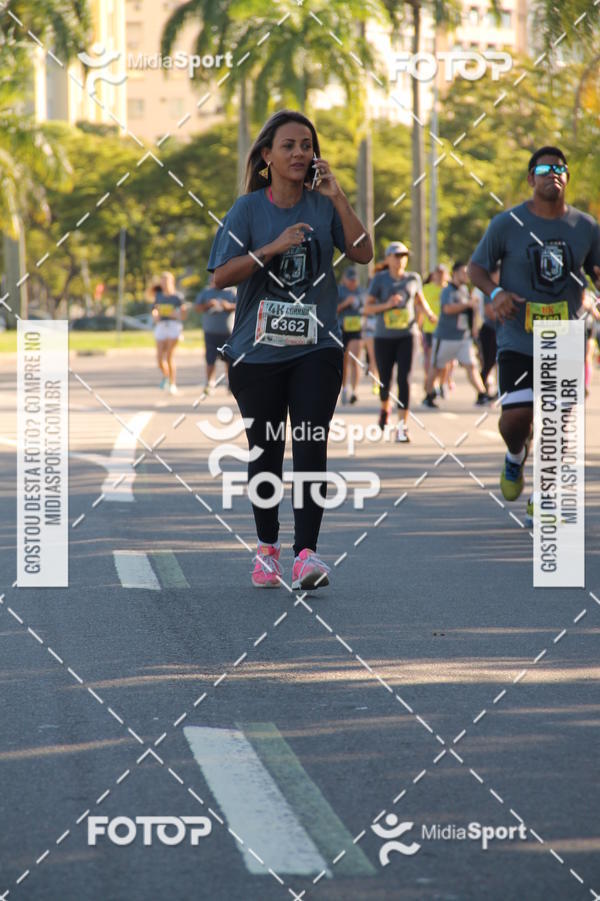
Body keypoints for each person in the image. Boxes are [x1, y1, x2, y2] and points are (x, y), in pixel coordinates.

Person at [207, 109, 372, 590]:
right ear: (267, 155)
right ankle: (266, 549)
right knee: (266, 451)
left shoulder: (324, 206)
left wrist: (339, 197)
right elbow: (221, 276)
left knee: (311, 442)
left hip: (316, 347)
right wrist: (271, 248)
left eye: (307, 145)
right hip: (256, 353)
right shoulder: (247, 210)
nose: (300, 153)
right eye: (289, 145)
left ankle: (306, 554)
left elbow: (363, 251)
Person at [467, 146, 600, 520]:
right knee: (516, 420)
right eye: (543, 169)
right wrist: (496, 293)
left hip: (565, 336)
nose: (552, 174)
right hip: (517, 337)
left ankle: (544, 497)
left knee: (557, 423)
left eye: (559, 168)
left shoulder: (586, 227)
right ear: (530, 179)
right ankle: (515, 456)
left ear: (567, 178)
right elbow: (476, 268)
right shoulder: (507, 223)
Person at [363, 242, 437, 443]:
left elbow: (420, 300)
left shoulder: (413, 278)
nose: (400, 260)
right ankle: (384, 408)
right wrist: (387, 304)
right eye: (396, 256)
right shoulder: (379, 279)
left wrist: (429, 314)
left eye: (404, 256)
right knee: (385, 381)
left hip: (407, 335)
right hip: (384, 337)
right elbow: (367, 308)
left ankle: (402, 428)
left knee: (404, 379)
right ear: (388, 258)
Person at [423, 262, 488, 408]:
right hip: (445, 337)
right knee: (436, 367)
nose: (466, 276)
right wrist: (467, 304)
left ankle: (482, 393)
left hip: (463, 337)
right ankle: (428, 394)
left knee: (471, 366)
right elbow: (447, 309)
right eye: (463, 273)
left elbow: (471, 310)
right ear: (455, 273)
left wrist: (474, 326)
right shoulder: (447, 291)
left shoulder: (464, 290)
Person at [195, 274, 237, 393]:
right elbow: (197, 308)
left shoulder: (231, 292)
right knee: (210, 359)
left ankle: (230, 383)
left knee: (228, 359)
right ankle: (210, 383)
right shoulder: (206, 292)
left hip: (228, 332)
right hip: (210, 332)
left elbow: (240, 306)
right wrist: (208, 305)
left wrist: (227, 306)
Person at [152, 271, 187, 395]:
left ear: (171, 282)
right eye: (162, 281)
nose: (164, 284)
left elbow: (183, 315)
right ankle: (166, 376)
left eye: (166, 281)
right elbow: (154, 309)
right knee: (159, 358)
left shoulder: (177, 297)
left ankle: (172, 384)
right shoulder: (158, 296)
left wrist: (176, 314)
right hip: (161, 325)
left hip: (173, 326)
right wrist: (155, 315)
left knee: (169, 356)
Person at [336, 266, 364, 404]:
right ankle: (344, 389)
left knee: (355, 360)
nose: (353, 282)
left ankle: (354, 391)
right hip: (341, 328)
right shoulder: (339, 290)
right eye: (350, 280)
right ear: (344, 280)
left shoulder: (361, 291)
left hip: (356, 329)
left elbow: (366, 308)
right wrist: (345, 303)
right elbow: (332, 310)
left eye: (354, 280)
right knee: (344, 361)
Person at [421, 264, 449, 397]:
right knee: (432, 359)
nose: (440, 275)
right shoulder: (426, 288)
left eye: (442, 273)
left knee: (446, 360)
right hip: (430, 329)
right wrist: (419, 322)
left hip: (446, 330)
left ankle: (442, 383)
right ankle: (431, 386)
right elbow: (420, 305)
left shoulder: (448, 289)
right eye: (438, 272)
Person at [475, 267, 499, 399]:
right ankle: (482, 392)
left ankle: (497, 390)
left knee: (498, 362)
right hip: (489, 330)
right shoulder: (489, 290)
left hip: (499, 331)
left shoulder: (503, 288)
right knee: (488, 363)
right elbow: (490, 312)